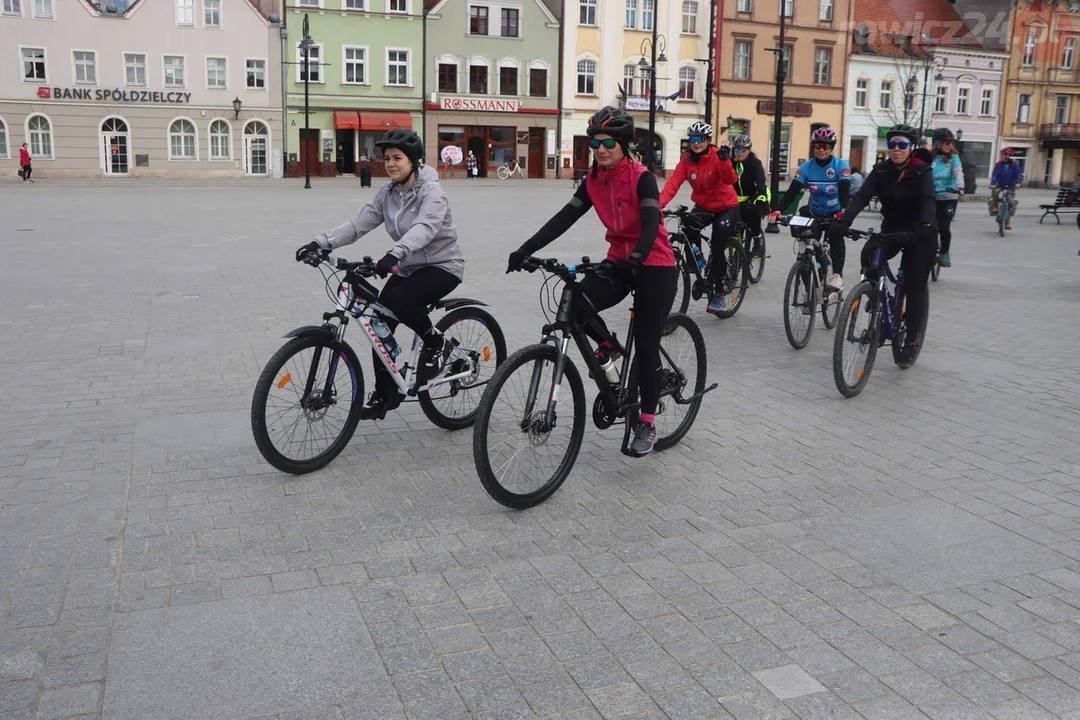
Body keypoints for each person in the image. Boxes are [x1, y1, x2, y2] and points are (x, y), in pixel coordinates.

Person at [506, 106, 677, 458]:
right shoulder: (593, 179)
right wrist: (526, 248)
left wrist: (637, 259)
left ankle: (646, 420)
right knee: (576, 300)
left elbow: (650, 223)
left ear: (625, 144)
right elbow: (564, 217)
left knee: (646, 346)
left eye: (608, 143)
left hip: (655, 263)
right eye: (594, 142)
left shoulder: (642, 177)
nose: (600, 149)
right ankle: (609, 348)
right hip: (618, 261)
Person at [295, 129, 464, 420]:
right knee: (378, 323)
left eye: (398, 158)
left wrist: (393, 254)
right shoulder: (387, 194)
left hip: (442, 265)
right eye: (386, 158)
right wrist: (320, 243)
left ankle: (436, 344)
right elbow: (358, 224)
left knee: (401, 301)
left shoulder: (432, 193)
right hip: (409, 265)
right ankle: (386, 394)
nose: (391, 164)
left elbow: (424, 229)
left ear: (413, 161)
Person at [828, 123, 937, 369]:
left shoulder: (921, 171)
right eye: (892, 145)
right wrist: (844, 222)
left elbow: (929, 199)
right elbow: (860, 198)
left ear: (910, 148)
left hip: (922, 232)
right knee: (869, 255)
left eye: (902, 145)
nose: (896, 149)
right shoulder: (881, 171)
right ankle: (882, 297)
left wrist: (926, 225)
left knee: (913, 284)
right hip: (893, 229)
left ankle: (910, 341)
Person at [658, 121, 739, 314]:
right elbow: (673, 183)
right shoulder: (687, 159)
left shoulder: (718, 156)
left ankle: (718, 292)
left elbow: (730, 180)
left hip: (726, 206)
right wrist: (658, 205)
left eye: (700, 139)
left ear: (708, 141)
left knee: (719, 242)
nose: (696, 143)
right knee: (687, 228)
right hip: (704, 205)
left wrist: (726, 162)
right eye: (693, 139)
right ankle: (699, 265)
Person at [767, 127, 851, 293]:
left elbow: (844, 191)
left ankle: (836, 275)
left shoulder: (840, 166)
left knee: (836, 235)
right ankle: (811, 287)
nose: (821, 150)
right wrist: (778, 210)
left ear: (831, 147)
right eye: (818, 145)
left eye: (825, 146)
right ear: (813, 146)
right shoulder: (806, 167)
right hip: (814, 212)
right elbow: (792, 191)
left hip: (834, 213)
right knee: (808, 246)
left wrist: (843, 210)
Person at [730, 135, 770, 258]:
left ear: (749, 150)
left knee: (753, 215)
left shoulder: (755, 164)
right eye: (737, 150)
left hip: (756, 195)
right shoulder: (731, 163)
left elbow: (760, 184)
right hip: (735, 199)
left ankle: (757, 240)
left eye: (743, 150)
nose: (740, 153)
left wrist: (755, 199)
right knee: (734, 225)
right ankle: (734, 253)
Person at [930, 128, 964, 267]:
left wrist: (960, 187)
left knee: (944, 226)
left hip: (949, 196)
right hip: (931, 197)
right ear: (938, 143)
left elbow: (958, 173)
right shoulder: (930, 158)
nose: (950, 145)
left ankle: (944, 252)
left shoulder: (954, 157)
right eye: (947, 142)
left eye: (951, 142)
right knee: (927, 226)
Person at [990, 147, 1023, 230]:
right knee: (995, 192)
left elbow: (1018, 174)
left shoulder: (1014, 165)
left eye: (1002, 155)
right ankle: (995, 205)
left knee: (1011, 202)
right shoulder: (998, 164)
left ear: (1007, 156)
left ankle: (1008, 221)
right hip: (1000, 184)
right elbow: (995, 174)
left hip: (1011, 185)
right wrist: (993, 184)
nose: (1000, 156)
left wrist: (1018, 183)